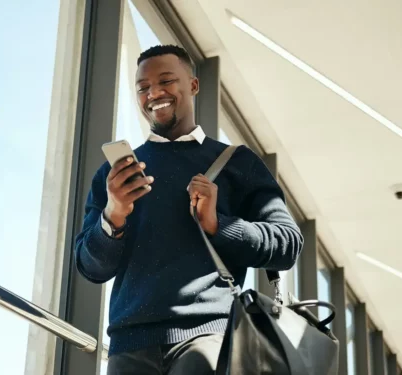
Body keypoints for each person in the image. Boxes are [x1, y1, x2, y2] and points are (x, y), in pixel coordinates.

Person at [75, 44, 304, 375]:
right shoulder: (114, 177)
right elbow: (89, 267)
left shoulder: (238, 163)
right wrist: (113, 217)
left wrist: (219, 225)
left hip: (211, 337)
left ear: (193, 85)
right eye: (143, 88)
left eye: (166, 81)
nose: (154, 93)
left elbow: (288, 244)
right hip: (128, 344)